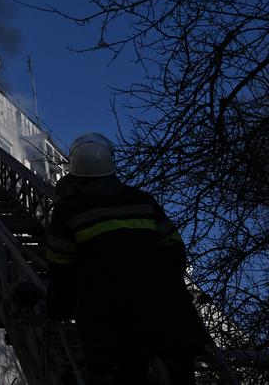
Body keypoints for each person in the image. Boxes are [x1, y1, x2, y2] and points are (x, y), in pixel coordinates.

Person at [43, 133, 208, 385]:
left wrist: (58, 308)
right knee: (178, 368)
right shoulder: (142, 200)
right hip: (168, 311)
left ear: (74, 171)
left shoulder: (68, 210)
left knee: (124, 372)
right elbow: (175, 248)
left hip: (109, 319)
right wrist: (165, 284)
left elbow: (60, 265)